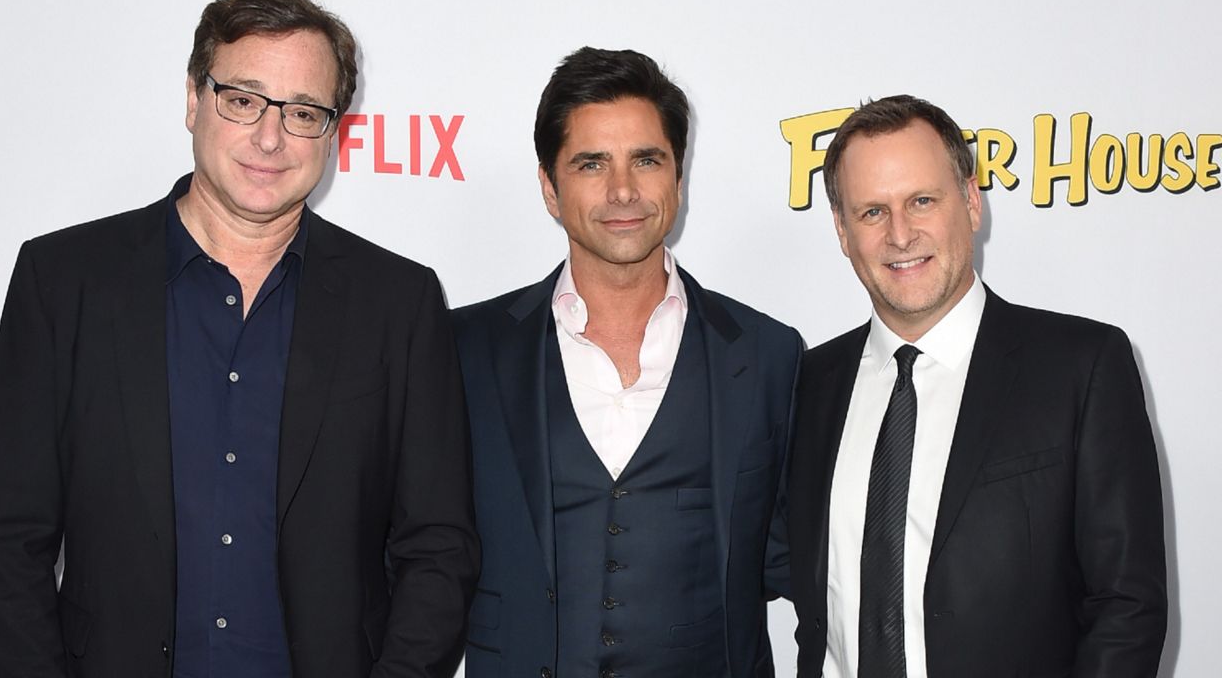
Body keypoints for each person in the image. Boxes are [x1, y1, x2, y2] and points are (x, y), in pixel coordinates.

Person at [0, 0, 477, 678]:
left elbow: (438, 547)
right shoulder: (63, 281)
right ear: (192, 99)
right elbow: (7, 537)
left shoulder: (399, 302)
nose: (270, 137)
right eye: (243, 100)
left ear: (333, 131)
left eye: (303, 112)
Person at [787, 94, 1167, 677]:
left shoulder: (1081, 368)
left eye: (921, 201)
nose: (900, 234)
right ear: (842, 230)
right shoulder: (810, 383)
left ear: (970, 201)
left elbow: (1126, 607)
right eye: (871, 212)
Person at [452, 46, 802, 678]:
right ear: (549, 188)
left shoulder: (768, 353)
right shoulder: (464, 348)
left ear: (678, 177)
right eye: (591, 164)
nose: (623, 190)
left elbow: (804, 558)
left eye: (647, 160)